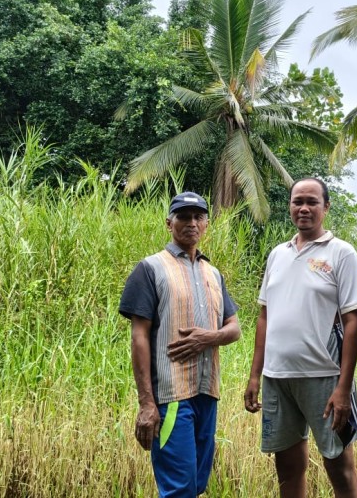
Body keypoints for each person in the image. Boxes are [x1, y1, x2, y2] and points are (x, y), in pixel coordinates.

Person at [243, 178, 357, 498]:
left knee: (339, 467)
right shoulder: (277, 255)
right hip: (277, 377)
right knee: (287, 469)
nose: (304, 208)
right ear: (289, 207)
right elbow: (265, 316)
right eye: (298, 201)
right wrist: (255, 375)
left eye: (312, 202)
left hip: (324, 377)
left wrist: (343, 387)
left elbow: (354, 320)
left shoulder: (341, 253)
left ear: (326, 207)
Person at [119, 191, 241, 498]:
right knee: (179, 489)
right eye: (183, 217)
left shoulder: (213, 273)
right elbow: (139, 338)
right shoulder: (150, 269)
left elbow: (234, 328)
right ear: (168, 223)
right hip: (172, 397)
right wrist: (147, 404)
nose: (191, 223)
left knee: (197, 486)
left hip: (207, 395)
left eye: (198, 217)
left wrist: (209, 338)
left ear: (206, 224)